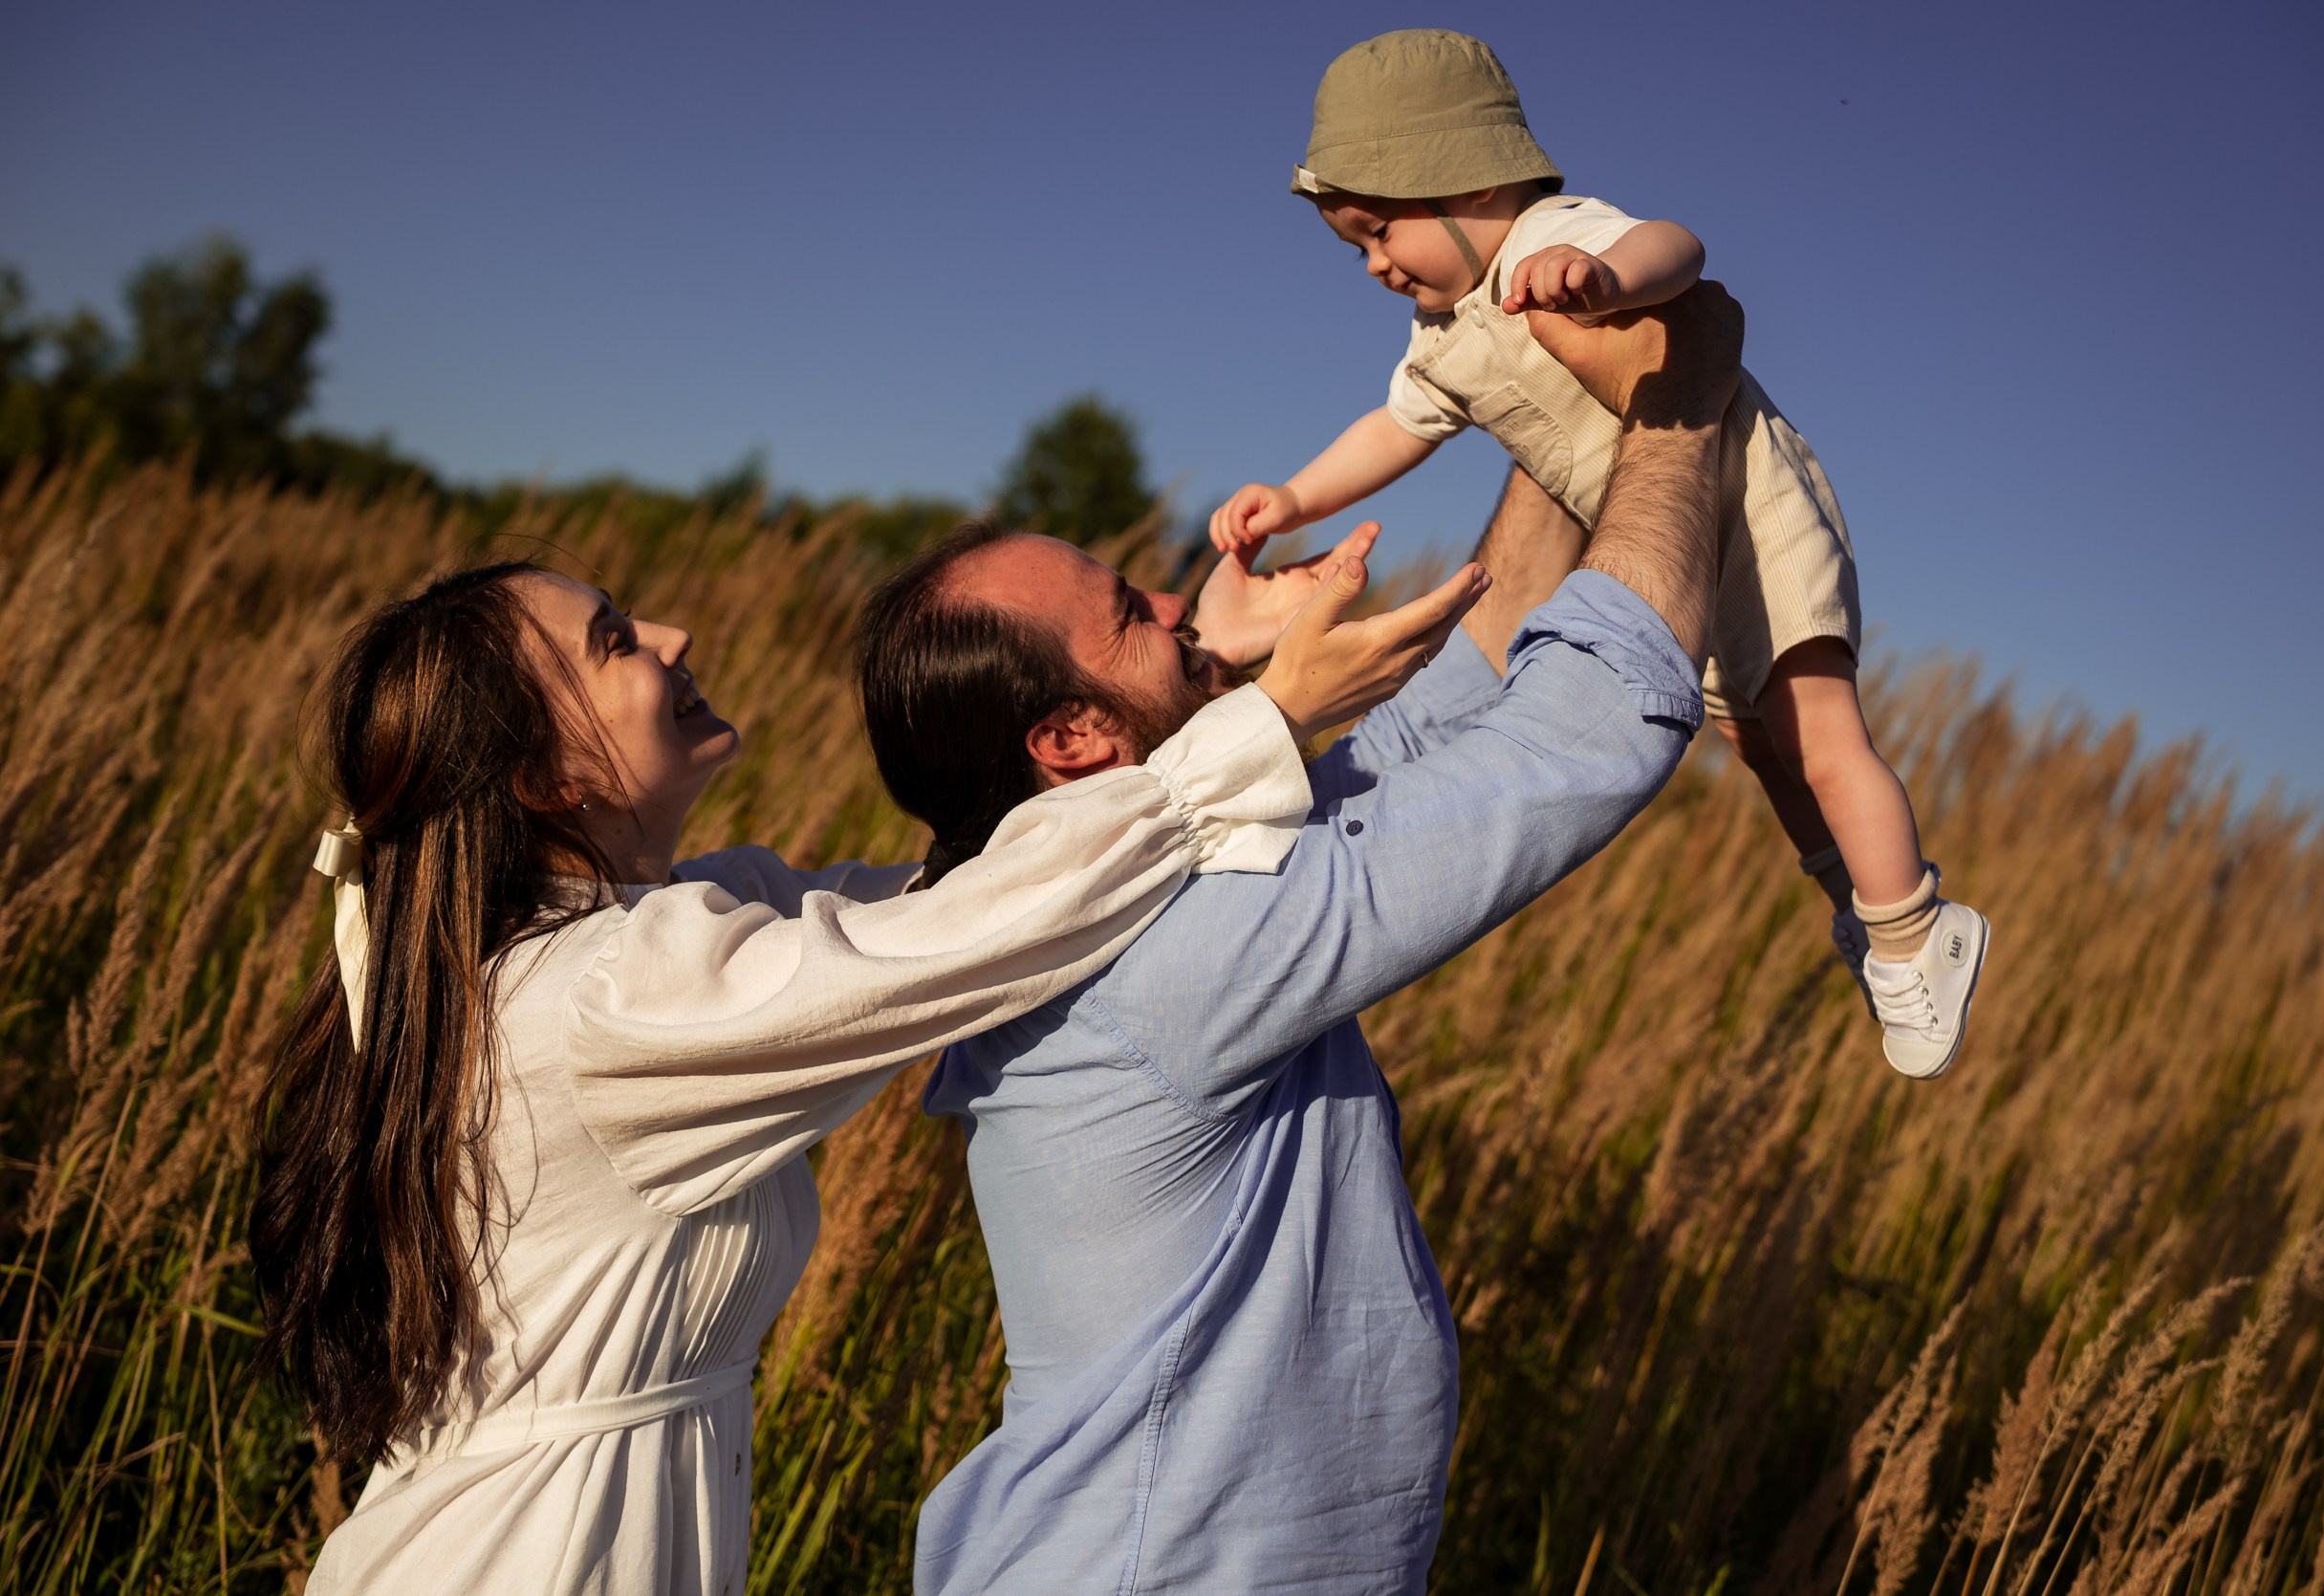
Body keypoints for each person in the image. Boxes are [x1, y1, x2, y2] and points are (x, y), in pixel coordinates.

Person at [250, 536, 1486, 1593]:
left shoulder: (642, 936)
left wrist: (1190, 671)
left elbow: (971, 893)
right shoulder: (606, 1001)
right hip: (520, 1558)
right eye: (617, 642)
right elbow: (976, 935)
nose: (674, 636)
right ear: (545, 777)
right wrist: (1261, 722)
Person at [858, 283, 1738, 1592]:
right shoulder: (1165, 951)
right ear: (1071, 742)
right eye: (1126, 613)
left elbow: (1459, 694)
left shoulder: (1125, 881)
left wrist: (1541, 395)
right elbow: (1591, 729)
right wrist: (1678, 410)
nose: (1177, 602)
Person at [1209, 28, 1988, 1079]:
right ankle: (1860, 902)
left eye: (1381, 229)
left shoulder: (1551, 238)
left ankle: (1914, 928)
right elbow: (1391, 429)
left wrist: (1606, 275)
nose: (1376, 264)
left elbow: (1681, 245)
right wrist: (1294, 496)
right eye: (1355, 248)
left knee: (1817, 729)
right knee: (1764, 747)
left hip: (1748, 508)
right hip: (1676, 555)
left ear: (1461, 181)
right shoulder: (1441, 337)